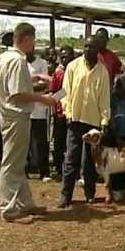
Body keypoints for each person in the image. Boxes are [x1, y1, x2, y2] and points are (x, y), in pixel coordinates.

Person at [0, 22, 56, 223]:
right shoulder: (18, 60)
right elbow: (18, 94)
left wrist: (36, 88)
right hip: (16, 116)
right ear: (27, 39)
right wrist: (43, 99)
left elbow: (12, 88)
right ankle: (9, 210)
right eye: (34, 40)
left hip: (8, 115)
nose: (34, 44)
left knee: (18, 161)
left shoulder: (2, 57)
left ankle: (25, 203)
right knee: (12, 163)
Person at [58, 35, 111, 208]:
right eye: (86, 47)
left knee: (89, 160)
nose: (88, 50)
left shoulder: (102, 71)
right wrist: (68, 113)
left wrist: (105, 120)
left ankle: (90, 194)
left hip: (93, 121)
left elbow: (104, 98)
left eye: (92, 47)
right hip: (75, 119)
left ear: (98, 50)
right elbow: (64, 92)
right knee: (71, 158)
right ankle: (65, 196)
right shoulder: (73, 67)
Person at [107, 75, 125, 202]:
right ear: (117, 87)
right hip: (115, 137)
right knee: (116, 164)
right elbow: (110, 119)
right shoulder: (111, 101)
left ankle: (124, 187)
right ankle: (116, 189)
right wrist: (116, 137)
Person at [25, 49, 52, 182]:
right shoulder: (20, 63)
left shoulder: (42, 63)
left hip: (40, 110)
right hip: (25, 110)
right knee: (24, 143)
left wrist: (26, 86)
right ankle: (24, 171)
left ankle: (44, 172)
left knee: (41, 142)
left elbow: (44, 85)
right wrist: (33, 82)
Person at [49, 45, 75, 182]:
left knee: (72, 143)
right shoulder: (58, 74)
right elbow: (54, 94)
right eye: (62, 57)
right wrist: (56, 113)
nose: (65, 59)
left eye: (67, 56)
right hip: (60, 114)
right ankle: (59, 169)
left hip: (74, 113)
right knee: (59, 143)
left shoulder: (77, 70)